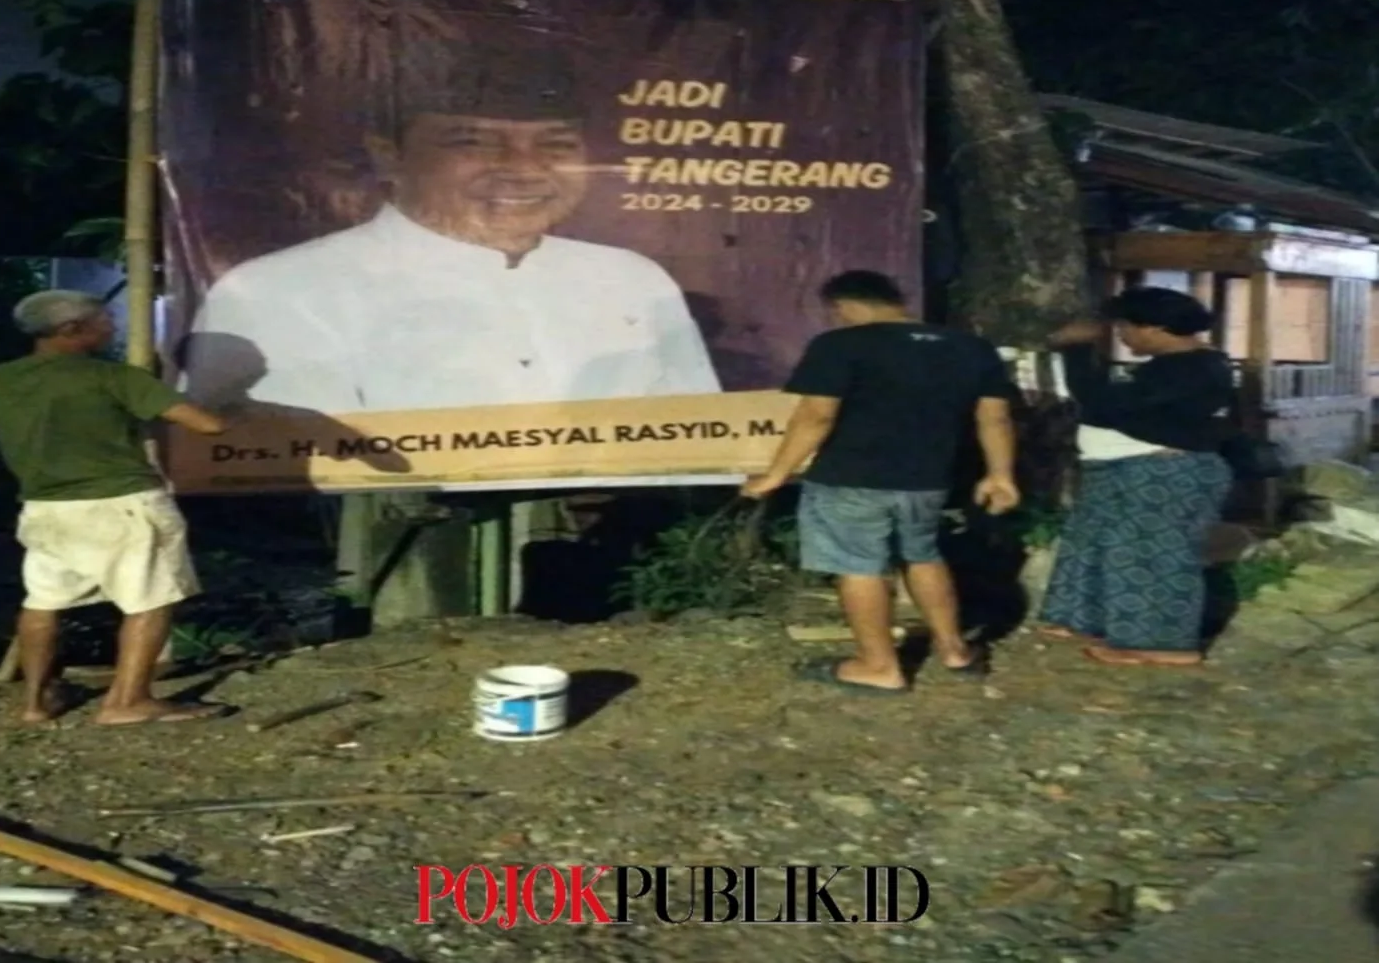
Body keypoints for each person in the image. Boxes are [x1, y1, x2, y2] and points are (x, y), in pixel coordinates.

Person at [181, 38, 720, 413]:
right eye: (474, 141)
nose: (525, 169)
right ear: (390, 156)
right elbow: (280, 462)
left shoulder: (630, 278)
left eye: (556, 144)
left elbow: (697, 434)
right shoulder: (277, 291)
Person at [742, 270, 1020, 692]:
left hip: (851, 477)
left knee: (858, 567)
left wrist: (776, 474)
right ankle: (955, 651)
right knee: (923, 555)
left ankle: (878, 667)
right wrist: (1001, 475)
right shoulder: (970, 347)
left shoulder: (840, 345)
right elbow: (994, 417)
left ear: (844, 305)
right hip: (928, 479)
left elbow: (817, 416)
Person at [0, 291, 234, 725]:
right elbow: (208, 425)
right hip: (122, 504)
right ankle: (126, 702)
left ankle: (35, 703)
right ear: (72, 330)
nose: (112, 326)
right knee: (151, 599)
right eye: (103, 319)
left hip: (44, 507)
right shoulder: (112, 378)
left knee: (44, 601)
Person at [1039, 286, 1234, 667]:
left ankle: (1161, 642)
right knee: (1095, 544)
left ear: (1156, 328)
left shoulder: (1192, 368)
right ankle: (1091, 619)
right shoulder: (1170, 367)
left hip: (1160, 474)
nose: (1122, 337)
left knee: (1149, 557)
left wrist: (1075, 350)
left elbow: (1103, 403)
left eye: (1126, 327)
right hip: (1125, 469)